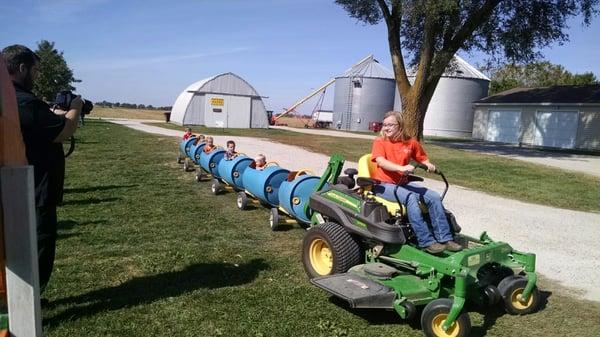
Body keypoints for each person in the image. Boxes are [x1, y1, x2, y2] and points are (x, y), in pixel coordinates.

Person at [2, 44, 83, 291]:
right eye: (35, 70)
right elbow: (63, 130)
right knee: (40, 240)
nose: (37, 76)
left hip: (18, 185)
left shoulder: (10, 100)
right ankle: (30, 297)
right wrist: (76, 107)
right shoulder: (24, 101)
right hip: (35, 187)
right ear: (21, 68)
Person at [370, 111, 461, 254]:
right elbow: (381, 161)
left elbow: (422, 158)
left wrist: (428, 164)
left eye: (390, 125)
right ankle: (426, 241)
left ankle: (445, 238)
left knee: (434, 197)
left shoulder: (410, 142)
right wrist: (402, 168)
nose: (386, 128)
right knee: (410, 198)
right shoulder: (380, 142)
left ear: (400, 126)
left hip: (403, 183)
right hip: (383, 185)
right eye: (384, 125)